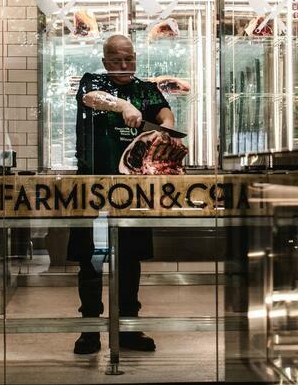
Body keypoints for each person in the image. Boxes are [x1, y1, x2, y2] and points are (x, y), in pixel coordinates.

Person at [68, 34, 178, 355]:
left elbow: (165, 113)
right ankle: (90, 330)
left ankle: (128, 328)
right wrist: (123, 105)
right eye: (116, 60)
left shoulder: (146, 89)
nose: (124, 65)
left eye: (129, 59)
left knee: (130, 258)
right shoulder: (93, 81)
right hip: (93, 185)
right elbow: (93, 98)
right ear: (105, 62)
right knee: (91, 258)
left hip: (133, 187)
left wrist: (165, 128)